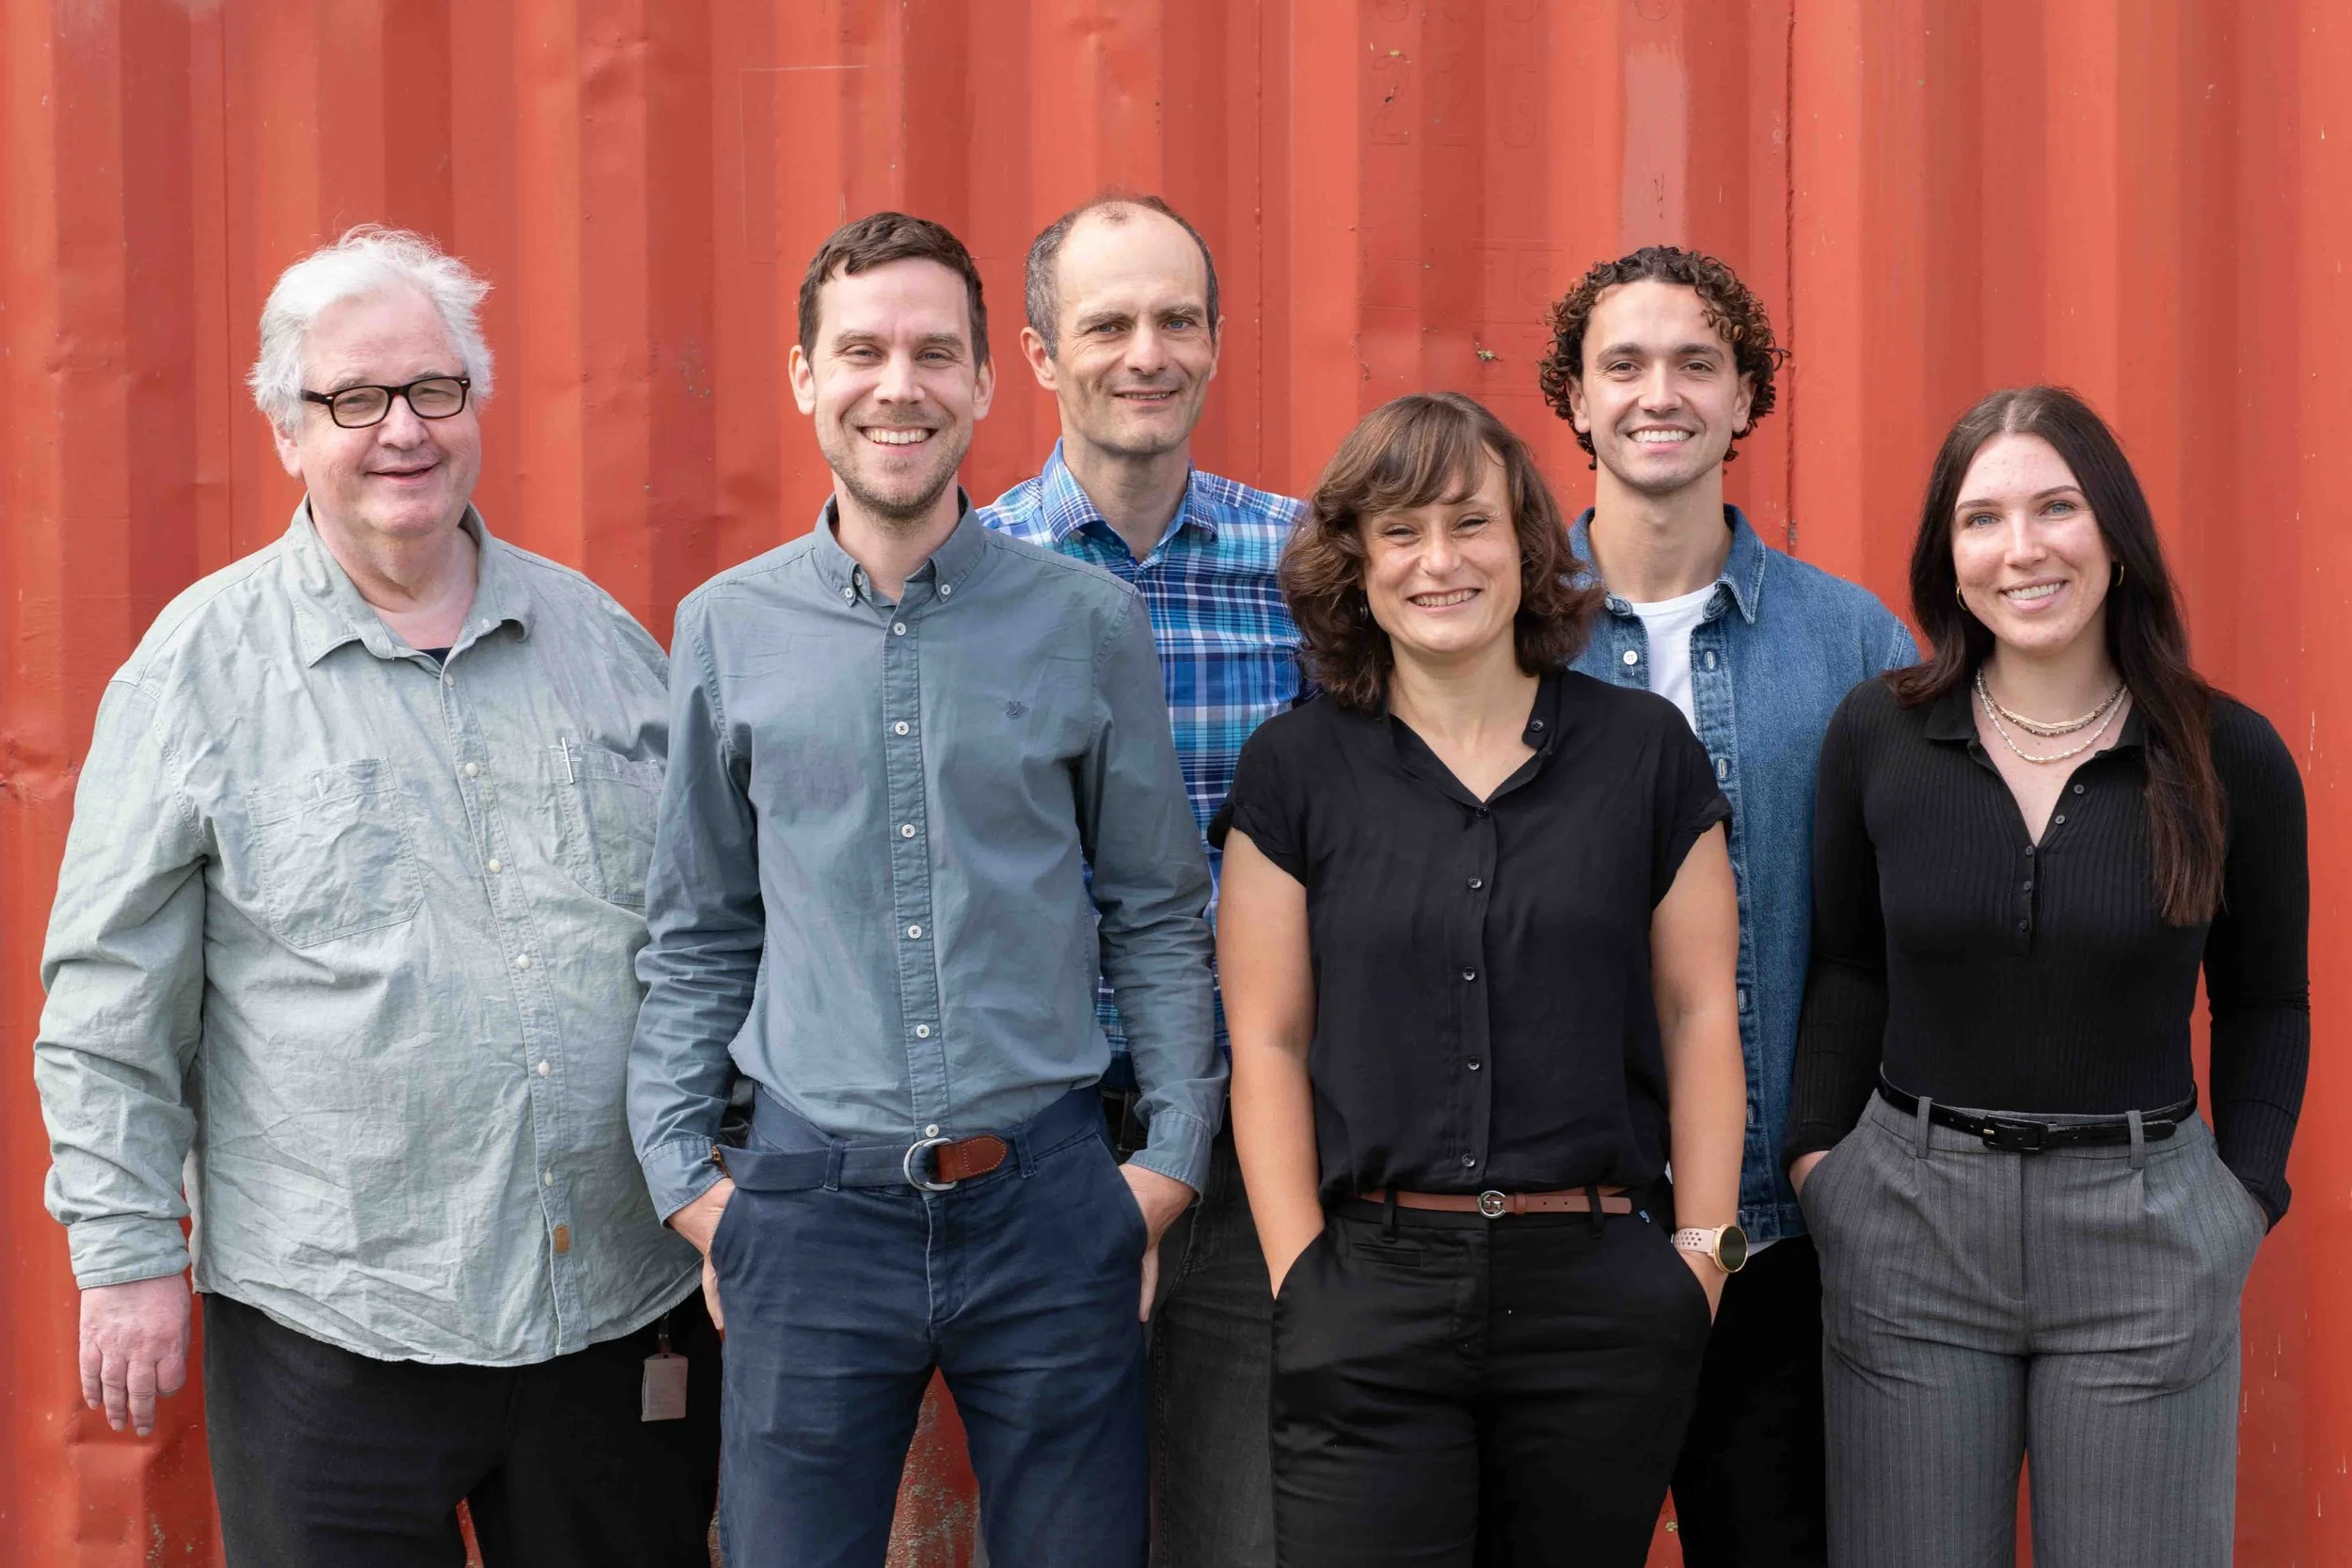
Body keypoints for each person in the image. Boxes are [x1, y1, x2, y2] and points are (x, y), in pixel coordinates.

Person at [33, 227, 717, 1567]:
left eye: (433, 389)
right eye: (353, 398)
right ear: (287, 430)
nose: (401, 428)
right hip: (331, 1327)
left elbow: (708, 942)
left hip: (616, 1308)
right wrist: (124, 1254)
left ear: (476, 407)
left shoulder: (601, 641)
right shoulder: (196, 671)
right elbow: (110, 999)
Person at [628, 211, 1220, 1568]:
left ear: (987, 380)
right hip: (806, 1212)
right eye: (862, 351)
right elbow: (699, 928)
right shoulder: (727, 627)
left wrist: (1165, 1162)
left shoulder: (1086, 622)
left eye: (934, 353)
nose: (899, 385)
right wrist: (687, 1178)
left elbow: (1153, 909)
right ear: (804, 375)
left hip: (1050, 1203)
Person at [1216, 390, 1749, 1567]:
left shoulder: (1643, 751)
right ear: (1356, 564)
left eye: (1470, 523)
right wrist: (1301, 1276)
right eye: (1400, 532)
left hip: (1599, 1301)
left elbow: (1699, 1010)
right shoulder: (1294, 767)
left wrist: (1701, 1257)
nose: (1439, 560)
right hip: (1367, 1295)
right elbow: (1268, 1039)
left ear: (1526, 543)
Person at [1786, 385, 2309, 1567]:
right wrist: (1822, 1166)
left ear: (2116, 535)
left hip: (2145, 1232)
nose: (2021, 548)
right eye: (1981, 518)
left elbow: (2268, 1000)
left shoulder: (2226, 753)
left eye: (2056, 507)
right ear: (1949, 556)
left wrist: (2242, 1200)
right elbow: (1849, 966)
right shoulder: (1877, 733)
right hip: (1908, 1229)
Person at [1536, 244, 1915, 1568]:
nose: (1660, 393)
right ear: (1573, 398)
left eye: (1697, 362)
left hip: (1791, 1229)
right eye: (1623, 364)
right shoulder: (1502, 636)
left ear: (1747, 395)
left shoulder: (1854, 644)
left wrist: (1849, 1169)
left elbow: (1912, 932)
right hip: (1559, 1222)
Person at [982, 192, 1302, 1568]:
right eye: (1107, 323)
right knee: (1053, 1534)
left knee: (1245, 1533)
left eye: (1178, 320)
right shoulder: (972, 573)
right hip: (1036, 1138)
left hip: (1247, 1132)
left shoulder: (1306, 566)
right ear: (1039, 354)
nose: (1147, 353)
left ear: (1217, 341)